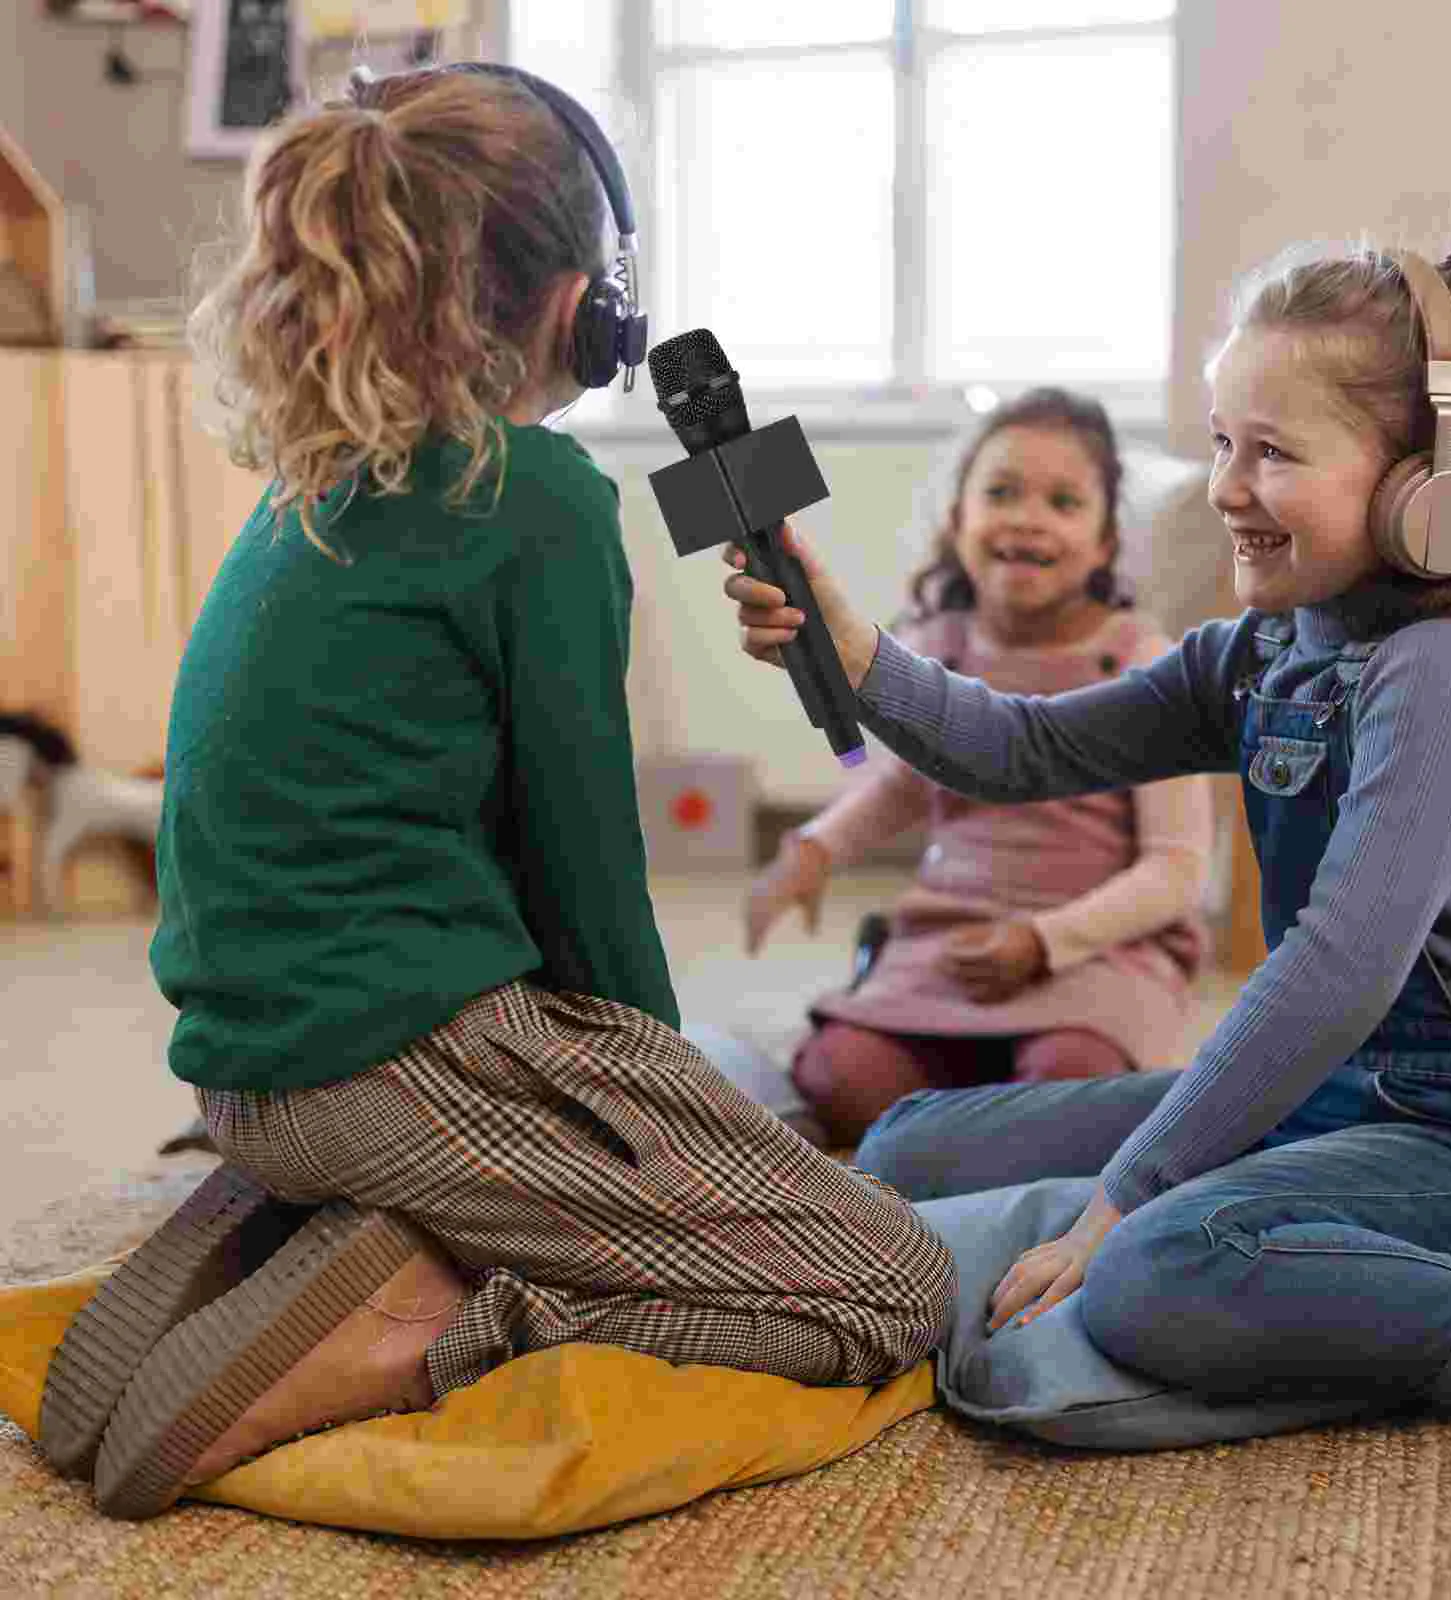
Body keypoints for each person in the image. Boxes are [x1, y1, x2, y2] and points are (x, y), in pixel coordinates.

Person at [42, 63, 953, 1520]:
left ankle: (301, 1231)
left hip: (247, 1062)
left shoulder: (313, 482)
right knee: (890, 1283)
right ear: (586, 305)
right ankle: (430, 1307)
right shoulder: (536, 498)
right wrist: (663, 1115)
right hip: (391, 1063)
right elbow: (587, 881)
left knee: (732, 1163)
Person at [722, 211, 1451, 1431]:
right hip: (1330, 1091)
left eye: (1274, 454)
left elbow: (1339, 965)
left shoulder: (1445, 668)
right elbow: (1018, 747)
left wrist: (1125, 1195)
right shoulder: (1254, 654)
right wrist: (852, 645)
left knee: (1154, 1266)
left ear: (1428, 489)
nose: (1228, 486)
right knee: (912, 1145)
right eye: (1223, 442)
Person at [747, 390, 1212, 1146]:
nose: (1028, 516)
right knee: (838, 1078)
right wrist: (816, 848)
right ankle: (974, 1109)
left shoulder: (1141, 664)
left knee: (1074, 1079)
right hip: (953, 939)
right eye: (1001, 492)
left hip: (1096, 955)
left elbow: (1175, 872)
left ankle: (981, 1115)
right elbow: (905, 781)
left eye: (1063, 501)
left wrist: (1042, 941)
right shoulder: (941, 646)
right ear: (958, 521)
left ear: (1103, 544)